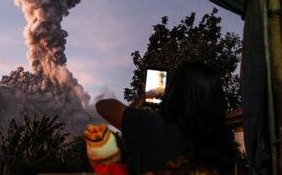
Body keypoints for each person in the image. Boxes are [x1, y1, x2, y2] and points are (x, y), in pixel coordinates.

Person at [95, 62, 238, 174]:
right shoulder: (224, 145)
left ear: (175, 92)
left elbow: (104, 106)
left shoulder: (151, 126)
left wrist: (146, 96)